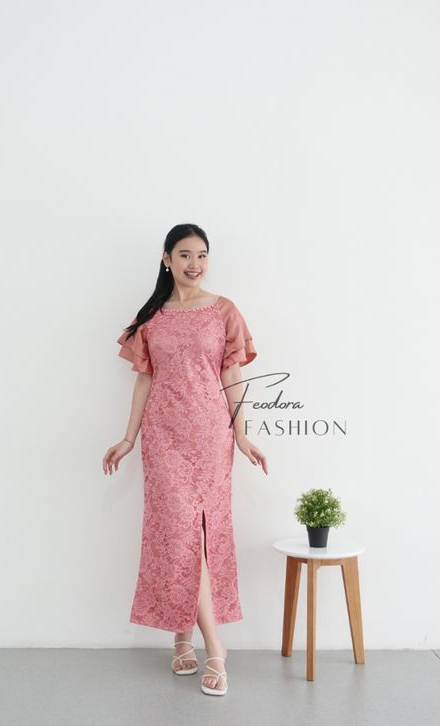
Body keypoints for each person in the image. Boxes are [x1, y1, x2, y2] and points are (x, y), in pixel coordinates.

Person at [102, 223, 268, 696]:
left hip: (211, 436)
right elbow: (144, 379)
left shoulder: (223, 310)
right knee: (177, 534)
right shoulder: (152, 317)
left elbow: (232, 375)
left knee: (201, 535)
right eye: (185, 255)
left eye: (202, 255)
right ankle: (213, 645)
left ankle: (186, 637)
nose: (195, 264)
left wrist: (242, 435)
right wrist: (129, 438)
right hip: (163, 438)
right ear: (166, 259)